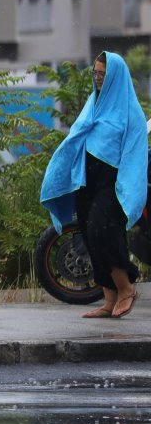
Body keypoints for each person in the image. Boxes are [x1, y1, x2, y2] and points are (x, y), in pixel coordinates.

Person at [41, 52, 148, 319]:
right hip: (87, 180)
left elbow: (135, 154)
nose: (98, 79)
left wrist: (129, 188)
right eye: (96, 74)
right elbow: (78, 137)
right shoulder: (94, 103)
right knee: (89, 234)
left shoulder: (130, 113)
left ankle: (126, 289)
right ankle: (109, 300)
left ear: (116, 78)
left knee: (102, 231)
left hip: (112, 184)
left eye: (103, 75)